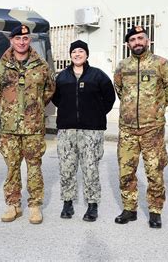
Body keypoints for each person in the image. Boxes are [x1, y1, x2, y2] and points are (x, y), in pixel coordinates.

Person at [0, 24, 55, 224]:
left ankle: (35, 206)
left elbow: (48, 91)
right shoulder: (1, 66)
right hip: (10, 128)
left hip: (33, 127)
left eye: (25, 39)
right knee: (12, 167)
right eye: (17, 38)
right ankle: (13, 204)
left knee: (34, 166)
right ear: (11, 40)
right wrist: (11, 108)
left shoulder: (41, 65)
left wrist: (33, 108)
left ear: (30, 41)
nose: (21, 42)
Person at [113, 25, 168, 228]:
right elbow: (120, 90)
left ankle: (155, 210)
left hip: (153, 129)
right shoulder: (122, 66)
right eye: (133, 40)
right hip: (128, 129)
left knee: (154, 171)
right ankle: (129, 208)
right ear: (128, 44)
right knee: (126, 171)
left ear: (148, 40)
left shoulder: (162, 64)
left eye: (140, 38)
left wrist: (156, 108)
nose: (137, 42)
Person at [52, 40, 115, 221]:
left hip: (92, 131)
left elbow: (109, 98)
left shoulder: (98, 76)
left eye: (81, 51)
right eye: (74, 52)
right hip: (67, 130)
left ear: (87, 54)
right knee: (67, 168)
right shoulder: (62, 77)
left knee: (90, 168)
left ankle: (92, 205)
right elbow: (56, 99)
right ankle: (68, 203)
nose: (77, 54)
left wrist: (96, 114)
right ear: (70, 55)